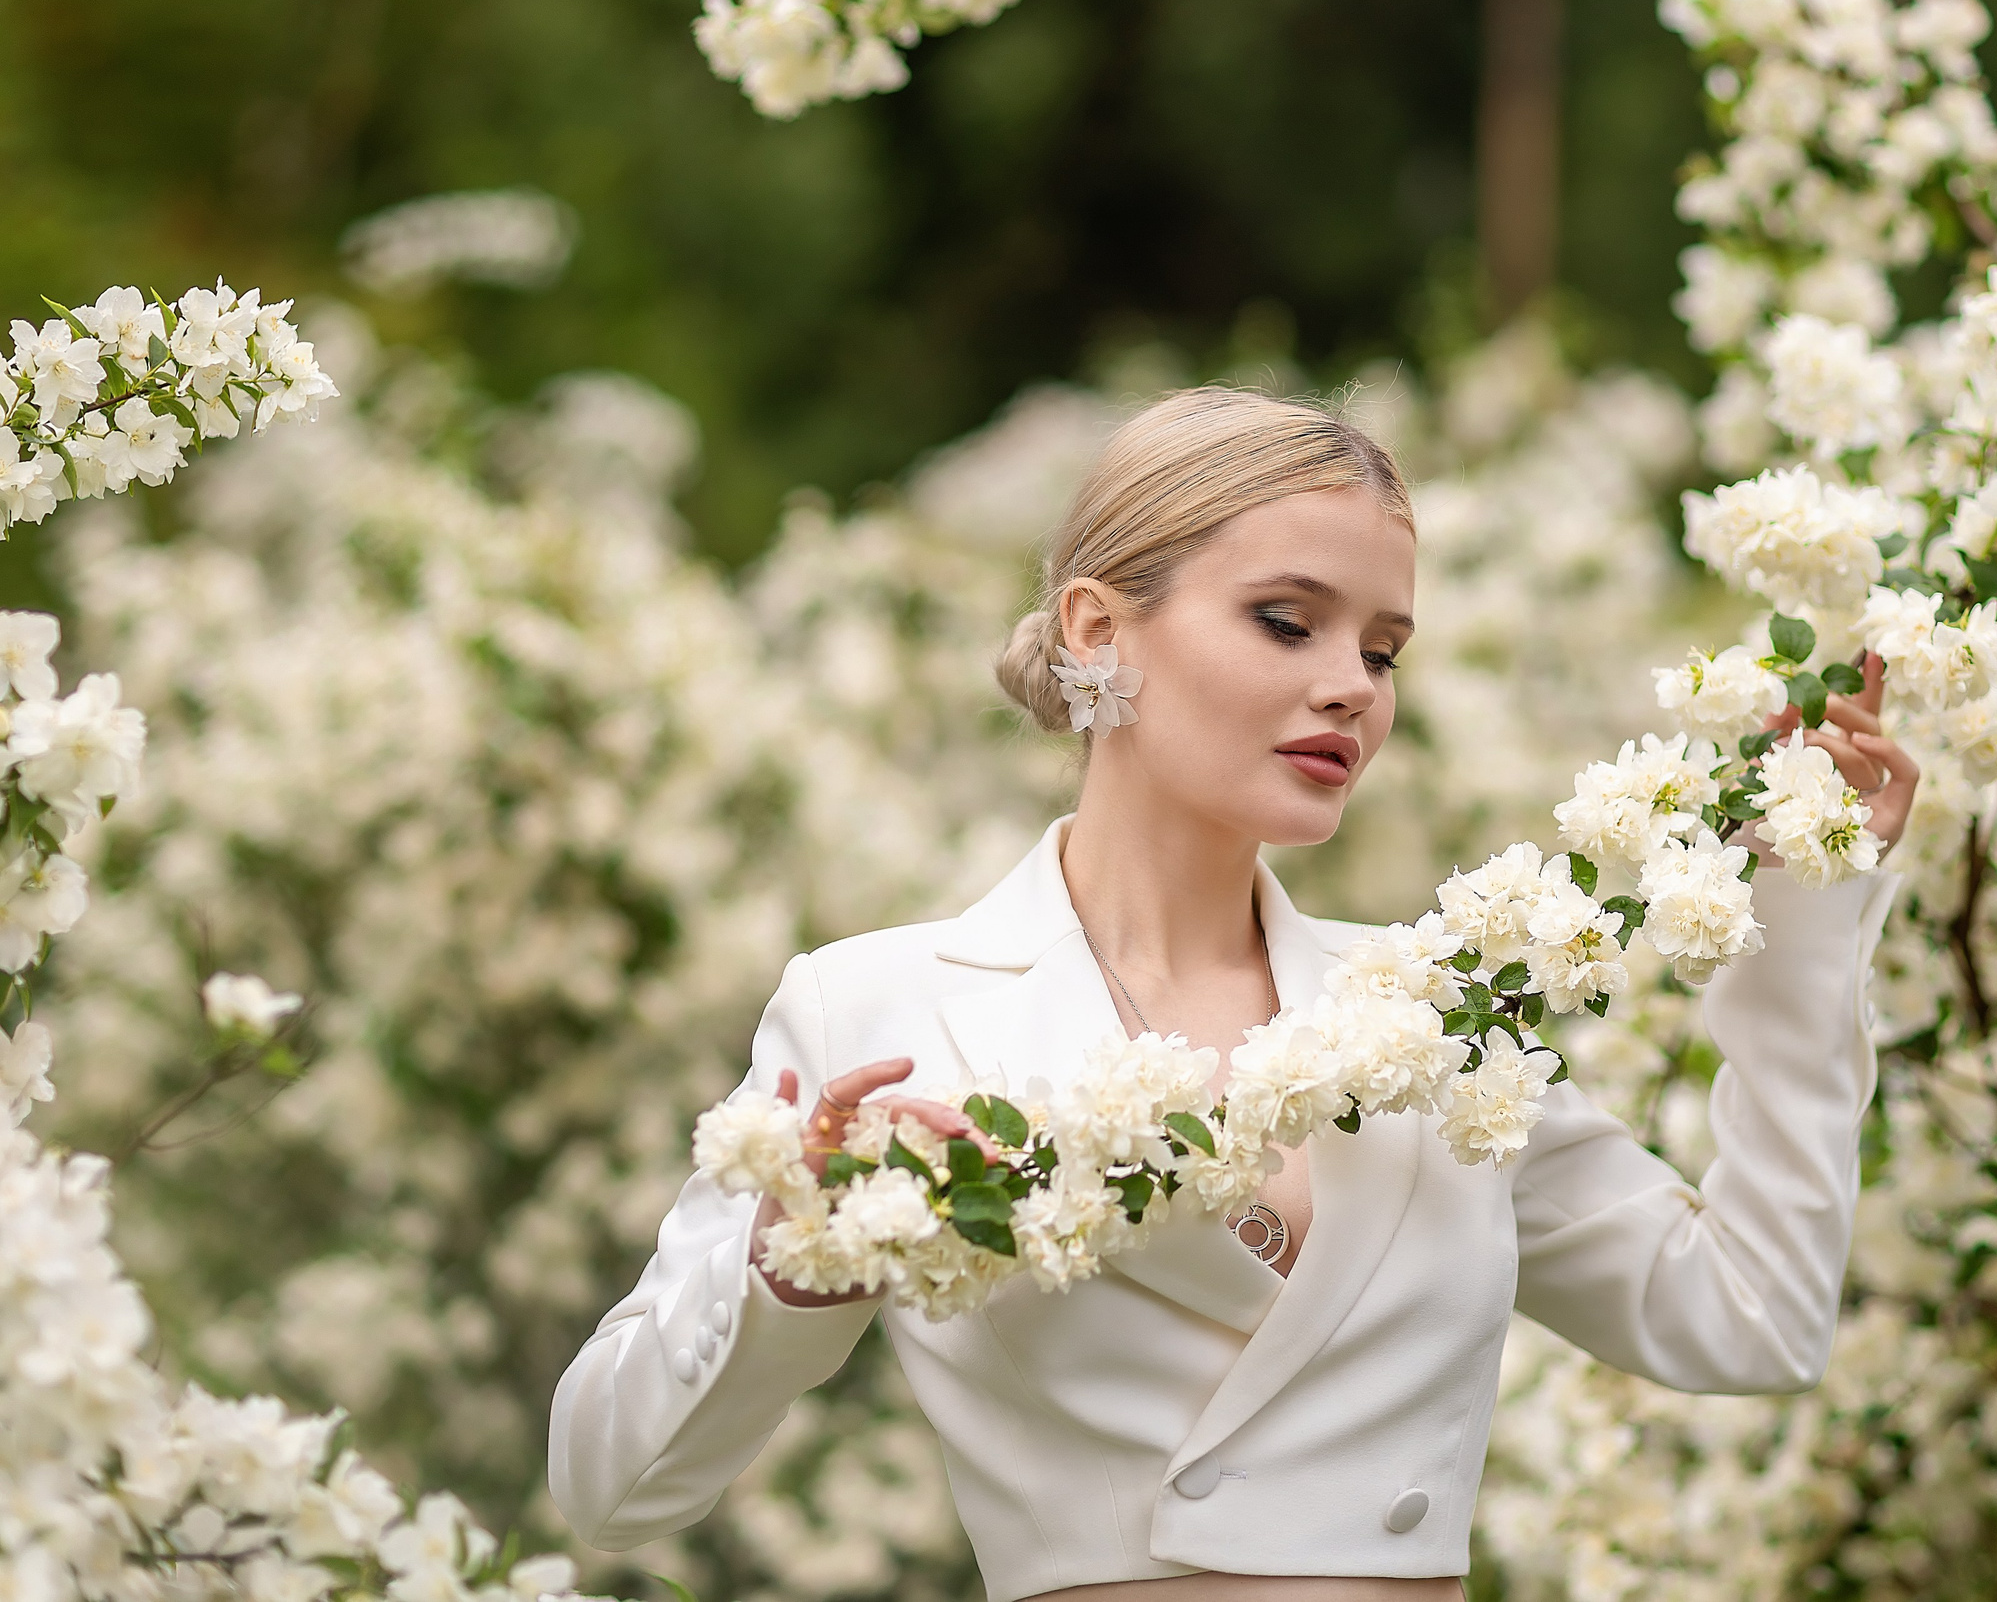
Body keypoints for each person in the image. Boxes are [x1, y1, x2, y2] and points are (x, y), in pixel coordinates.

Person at [550, 387, 1917, 1602]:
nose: (1349, 688)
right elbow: (607, 1491)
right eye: (1287, 622)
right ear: (1099, 630)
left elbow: (1750, 1316)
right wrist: (787, 1263)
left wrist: (1803, 915)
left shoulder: (1440, 1014)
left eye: (1382, 651)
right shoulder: (883, 1012)